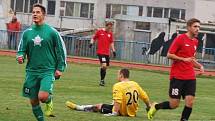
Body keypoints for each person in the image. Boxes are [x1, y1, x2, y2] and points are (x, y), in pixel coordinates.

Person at [16, 4, 67, 121]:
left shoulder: (52, 32)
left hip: (48, 70)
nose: (35, 14)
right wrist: (20, 57)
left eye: (38, 12)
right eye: (33, 12)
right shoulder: (27, 33)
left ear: (44, 15)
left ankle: (49, 100)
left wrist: (60, 68)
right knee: (33, 101)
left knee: (42, 97)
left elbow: (61, 50)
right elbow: (21, 50)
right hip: (31, 71)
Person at [147, 18, 204, 121]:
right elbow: (169, 55)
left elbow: (190, 60)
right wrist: (183, 59)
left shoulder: (195, 42)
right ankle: (156, 107)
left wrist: (200, 66)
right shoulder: (180, 38)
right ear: (188, 27)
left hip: (190, 77)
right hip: (177, 76)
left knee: (190, 102)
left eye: (199, 27)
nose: (197, 29)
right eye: (195, 26)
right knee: (174, 104)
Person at [66, 68, 151, 117]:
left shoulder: (118, 85)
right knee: (112, 103)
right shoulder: (135, 84)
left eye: (118, 74)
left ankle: (78, 107)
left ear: (121, 75)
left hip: (122, 112)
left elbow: (118, 101)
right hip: (133, 111)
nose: (117, 76)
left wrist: (114, 113)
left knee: (99, 106)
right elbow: (145, 97)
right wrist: (148, 108)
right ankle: (79, 107)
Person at [89, 21, 116, 86]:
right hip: (100, 52)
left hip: (107, 53)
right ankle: (102, 80)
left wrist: (114, 51)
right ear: (106, 26)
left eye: (111, 28)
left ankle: (102, 80)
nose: (110, 29)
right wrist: (91, 43)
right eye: (109, 28)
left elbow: (111, 43)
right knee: (104, 65)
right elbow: (93, 38)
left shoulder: (110, 34)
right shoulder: (100, 32)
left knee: (105, 67)